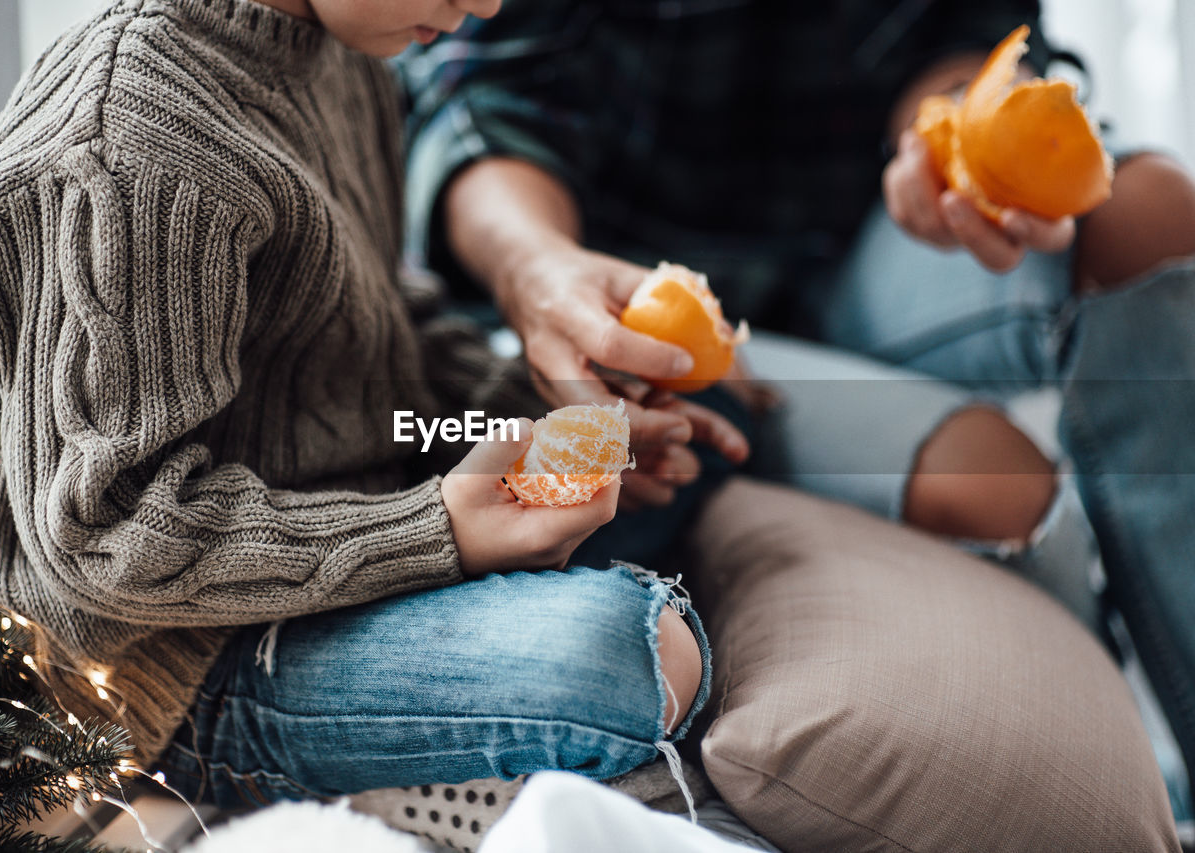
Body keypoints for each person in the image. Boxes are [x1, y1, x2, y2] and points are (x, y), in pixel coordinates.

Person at [0, 0, 710, 811]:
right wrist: (437, 531)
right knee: (631, 652)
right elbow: (106, 538)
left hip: (345, 529)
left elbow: (383, 336)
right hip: (167, 658)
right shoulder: (136, 141)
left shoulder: (350, 52)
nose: (487, 6)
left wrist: (546, 424)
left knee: (695, 467)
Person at [396, 0, 1195, 807]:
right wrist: (541, 271)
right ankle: (1107, 799)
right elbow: (484, 100)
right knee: (989, 478)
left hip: (863, 253)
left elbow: (959, 33)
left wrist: (946, 133)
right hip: (628, 295)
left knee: (1153, 208)